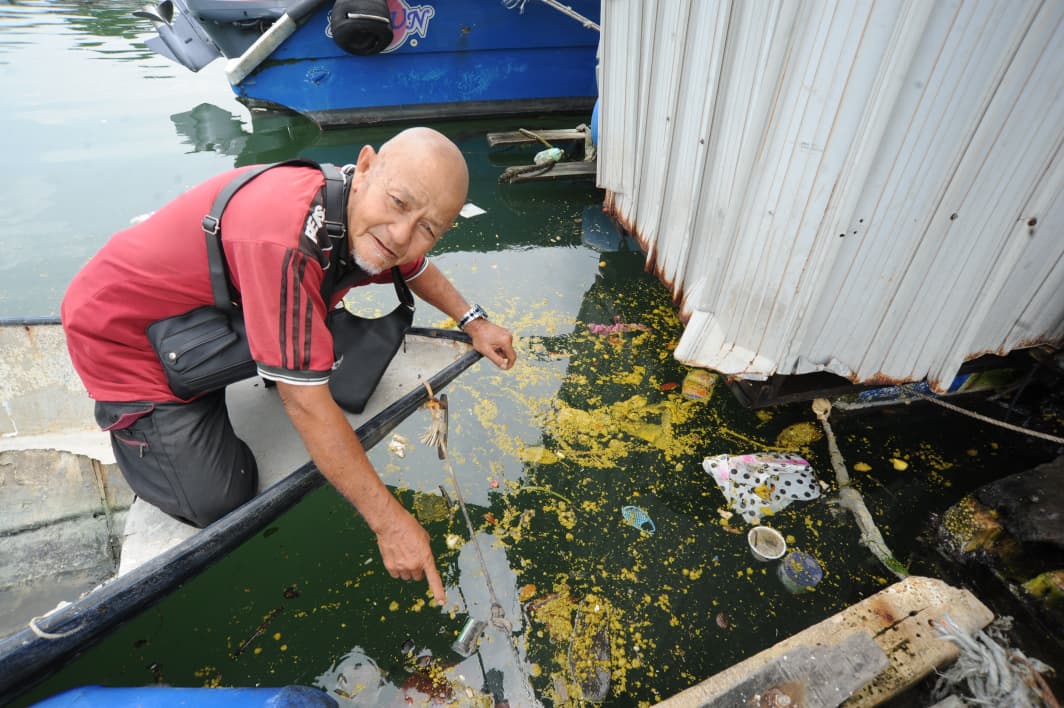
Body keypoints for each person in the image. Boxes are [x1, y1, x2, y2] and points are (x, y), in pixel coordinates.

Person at [61, 127, 516, 605]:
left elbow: (408, 264)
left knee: (317, 319)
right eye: (400, 203)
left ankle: (258, 362)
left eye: (428, 228)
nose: (403, 235)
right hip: (125, 339)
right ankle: (136, 434)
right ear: (364, 168)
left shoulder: (355, 212)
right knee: (220, 498)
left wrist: (473, 321)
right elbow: (306, 404)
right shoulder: (285, 235)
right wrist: (391, 524)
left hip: (201, 318)